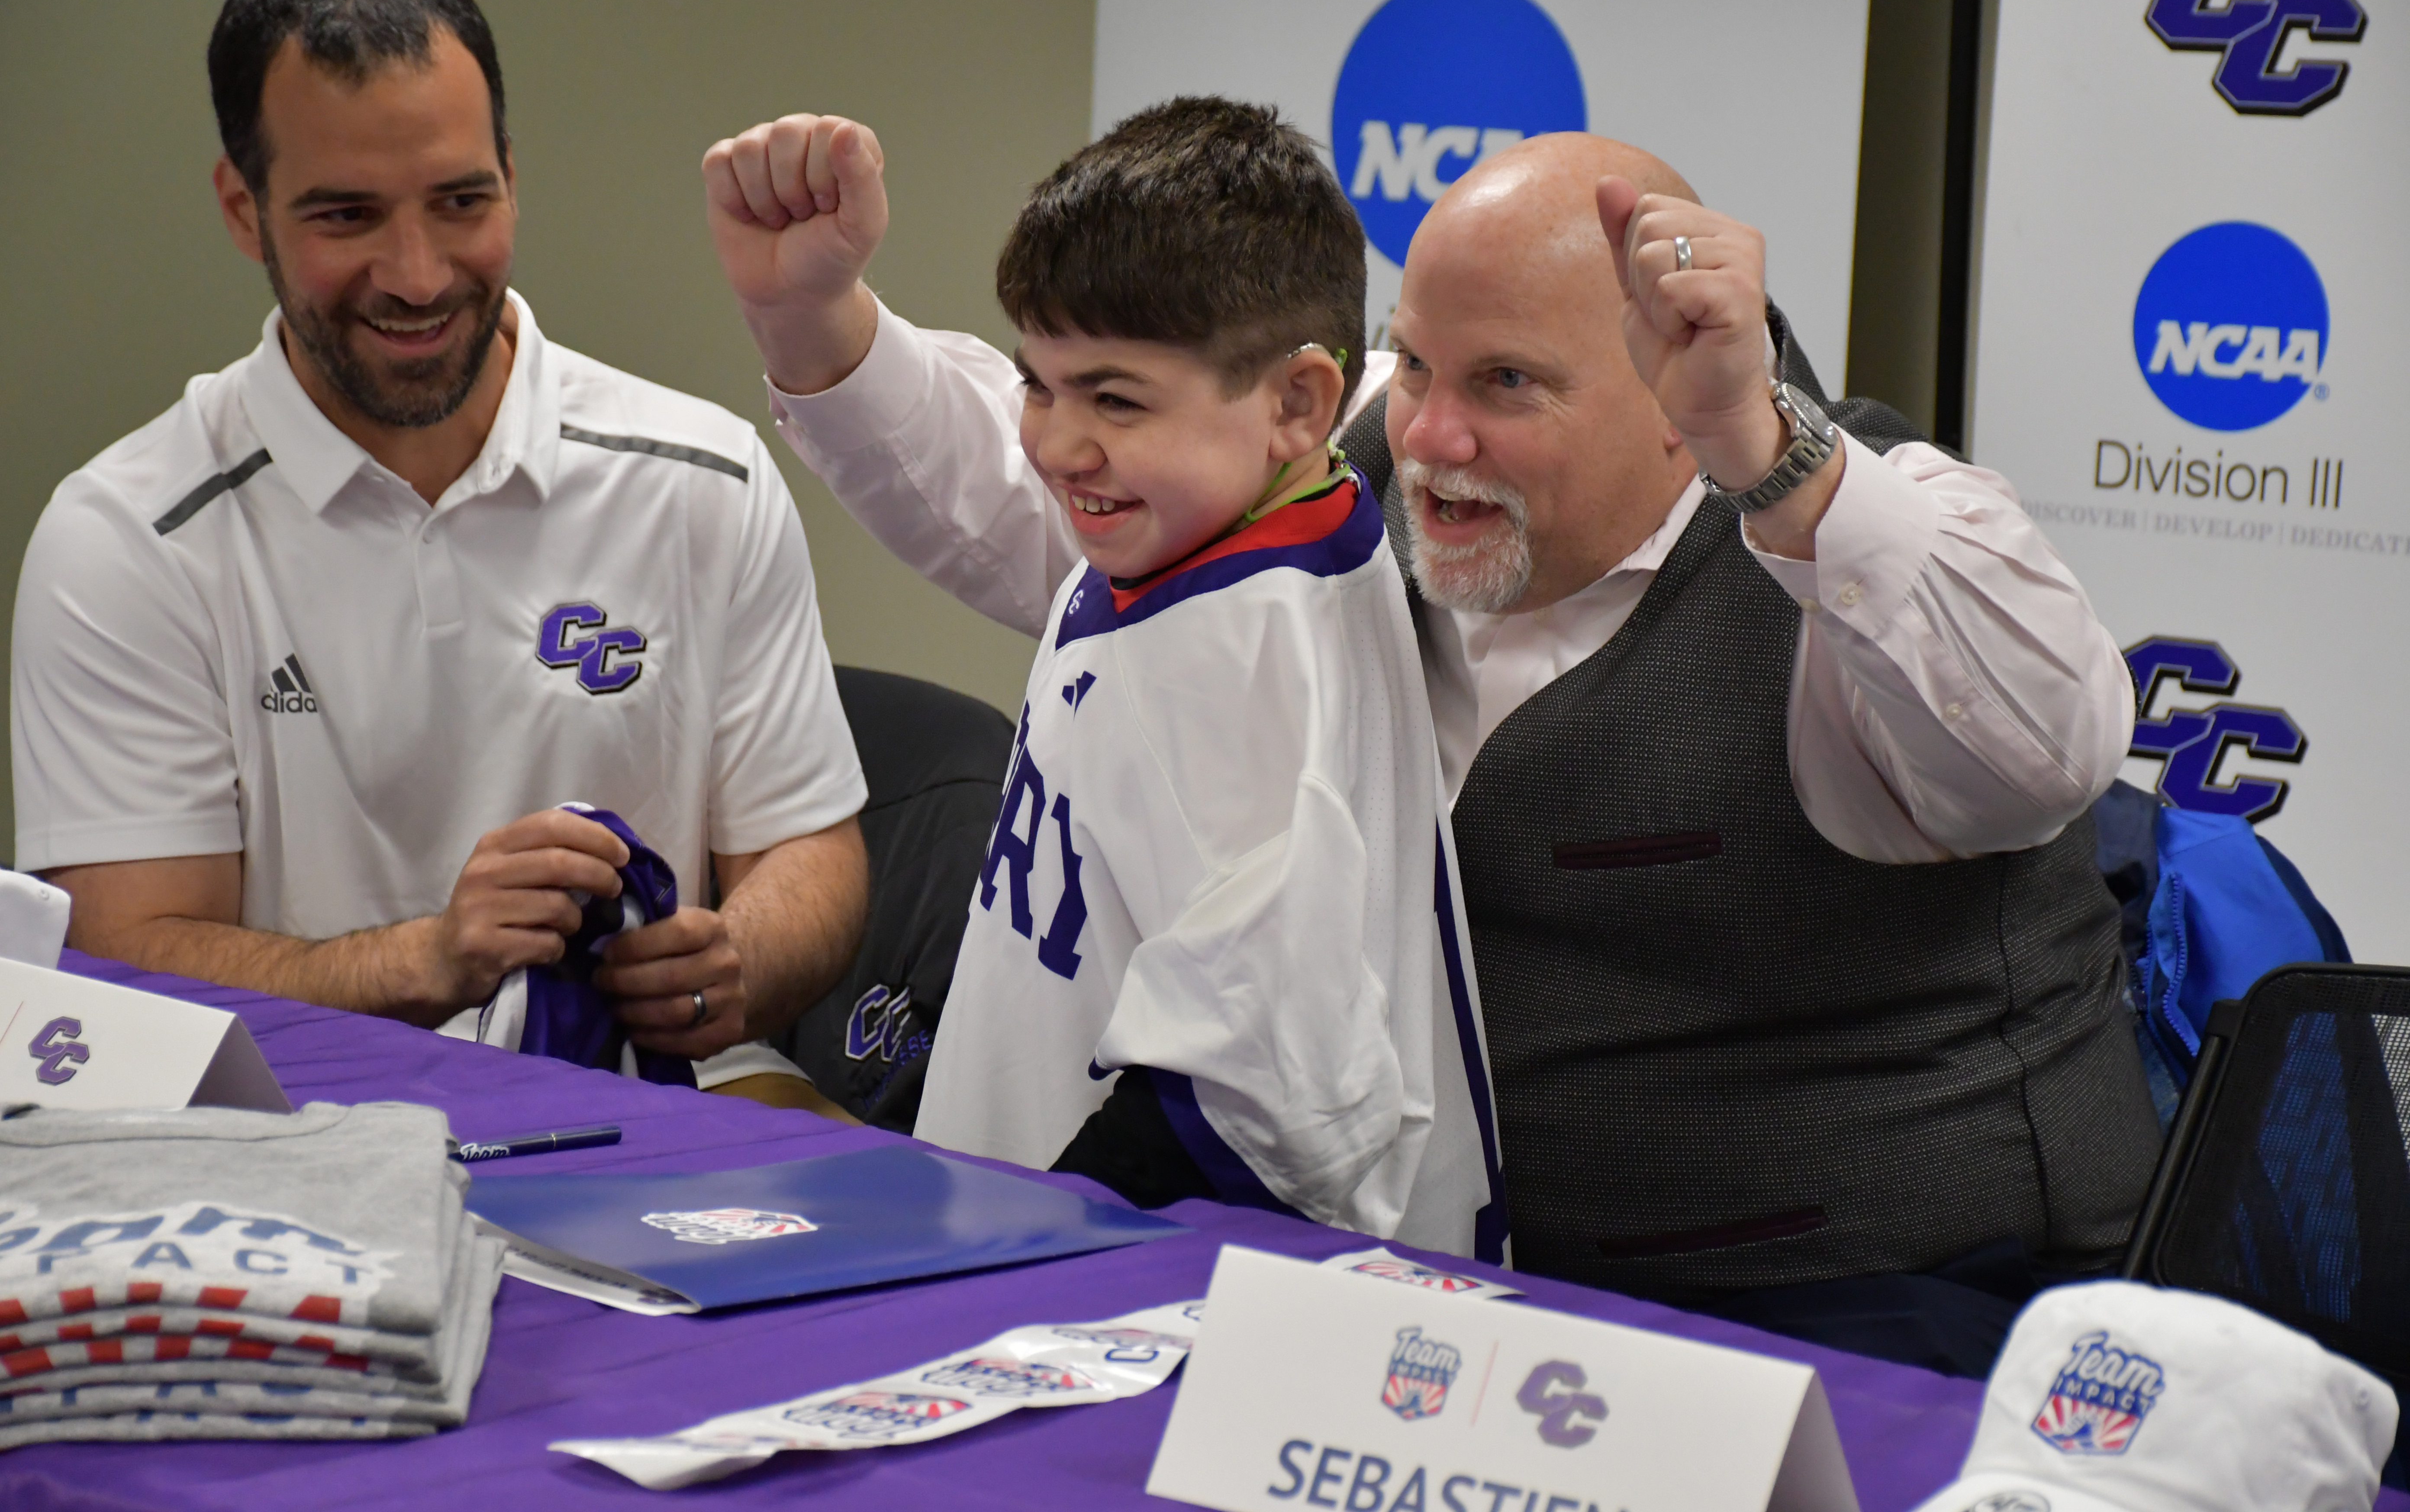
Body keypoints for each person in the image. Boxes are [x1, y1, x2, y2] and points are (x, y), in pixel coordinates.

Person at [708, 113, 2159, 1367]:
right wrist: (818, 324)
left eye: (1506, 387)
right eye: (1417, 368)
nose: (1429, 438)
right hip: (1429, 1302)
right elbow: (1082, 501)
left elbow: (2048, 747)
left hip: (1857, 1315)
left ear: (1678, 406)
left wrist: (1773, 454)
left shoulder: (1850, 537)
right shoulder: (1348, 497)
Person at [11, 0, 868, 1104]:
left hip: (650, 1108)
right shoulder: (127, 541)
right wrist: (429, 959)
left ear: (511, 174)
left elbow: (808, 852)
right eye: (347, 215)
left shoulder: (702, 478)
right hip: (290, 1127)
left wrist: (733, 963)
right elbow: (128, 961)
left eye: (461, 202)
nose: (416, 276)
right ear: (241, 207)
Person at [704, 99, 1505, 1256]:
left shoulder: (1255, 642)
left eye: (1115, 400)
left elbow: (1262, 1100)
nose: (1057, 444)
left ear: (1299, 403)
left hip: (1164, 1291)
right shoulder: (1212, 523)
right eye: (1041, 383)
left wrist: (1022, 1252)